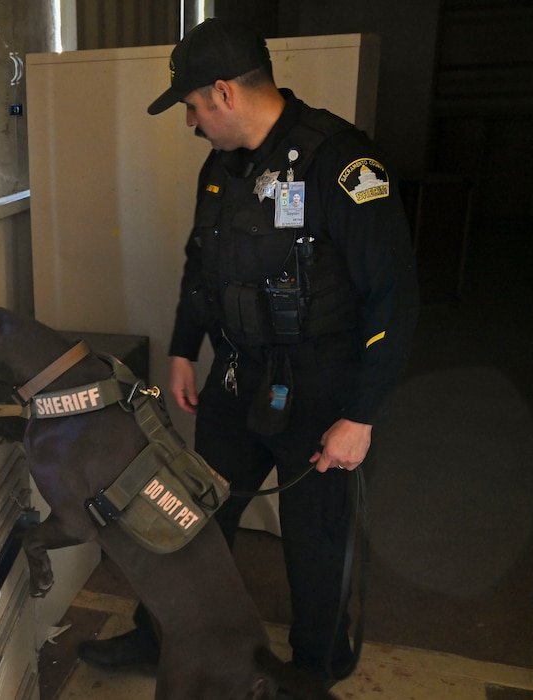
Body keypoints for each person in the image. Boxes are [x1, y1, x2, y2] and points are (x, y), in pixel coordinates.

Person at [77, 17, 419, 686]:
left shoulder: (342, 166)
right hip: (238, 378)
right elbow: (202, 266)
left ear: (225, 93)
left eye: (194, 106)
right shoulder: (223, 168)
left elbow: (394, 299)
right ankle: (160, 637)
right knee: (190, 514)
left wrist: (362, 414)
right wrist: (182, 349)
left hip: (323, 388)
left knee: (317, 540)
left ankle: (313, 671)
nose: (191, 122)